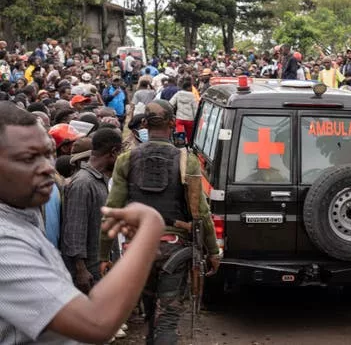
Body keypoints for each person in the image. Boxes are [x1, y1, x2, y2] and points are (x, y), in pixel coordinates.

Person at [0, 101, 165, 343]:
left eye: (49, 153)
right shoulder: (5, 245)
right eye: (28, 158)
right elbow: (97, 322)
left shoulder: (25, 212)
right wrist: (150, 229)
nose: (48, 167)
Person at [99, 100, 221, 344]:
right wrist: (213, 251)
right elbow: (201, 213)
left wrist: (103, 255)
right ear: (173, 123)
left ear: (144, 123)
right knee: (166, 319)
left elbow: (112, 210)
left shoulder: (126, 159)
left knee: (150, 313)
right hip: (174, 250)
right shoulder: (187, 162)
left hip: (137, 251)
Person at [61, 128, 122, 295]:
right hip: (90, 272)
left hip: (101, 268)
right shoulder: (83, 183)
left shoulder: (99, 180)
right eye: (120, 153)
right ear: (113, 153)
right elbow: (74, 232)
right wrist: (81, 270)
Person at [169, 78, 198, 144]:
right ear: (188, 87)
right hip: (190, 120)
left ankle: (180, 145)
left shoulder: (178, 94)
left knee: (180, 135)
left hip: (179, 119)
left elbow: (170, 103)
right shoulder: (192, 96)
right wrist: (196, 120)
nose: (191, 88)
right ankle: (188, 147)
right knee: (189, 136)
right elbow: (195, 108)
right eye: (191, 87)